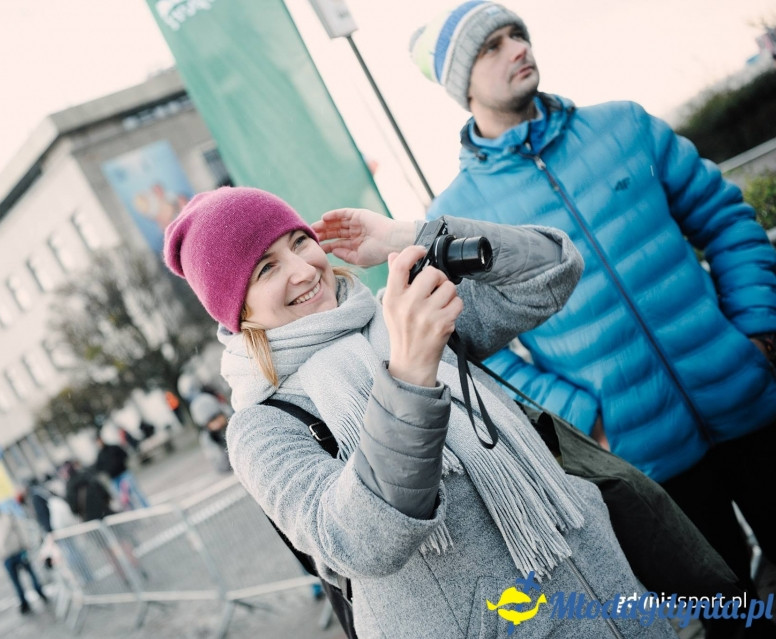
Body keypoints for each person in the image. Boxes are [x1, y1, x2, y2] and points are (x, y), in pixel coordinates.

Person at [163, 186, 675, 637]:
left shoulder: (406, 312)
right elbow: (357, 542)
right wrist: (409, 375)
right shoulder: (261, 426)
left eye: (299, 242)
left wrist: (411, 235)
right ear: (238, 309)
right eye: (266, 269)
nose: (302, 270)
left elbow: (551, 270)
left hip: (617, 601)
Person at [409, 1, 776, 593]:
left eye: (517, 34)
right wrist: (582, 420)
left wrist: (759, 328)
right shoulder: (456, 215)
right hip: (644, 461)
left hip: (752, 398)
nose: (518, 48)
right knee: (730, 612)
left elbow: (725, 219)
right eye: (492, 46)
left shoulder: (625, 126)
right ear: (463, 85)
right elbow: (473, 352)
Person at [0, 505, 48, 614]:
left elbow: (20, 531)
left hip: (18, 551)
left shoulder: (8, 518)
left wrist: (25, 544)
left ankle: (39, 592)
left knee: (31, 574)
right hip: (6, 556)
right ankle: (23, 601)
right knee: (16, 581)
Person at [94, 433, 149, 510]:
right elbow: (99, 468)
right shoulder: (100, 455)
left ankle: (147, 508)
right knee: (124, 499)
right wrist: (108, 469)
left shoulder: (113, 448)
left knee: (135, 492)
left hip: (124, 474)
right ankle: (133, 511)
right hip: (114, 478)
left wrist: (118, 464)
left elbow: (124, 455)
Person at [189, 392, 232, 473]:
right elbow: (221, 465)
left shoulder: (233, 419)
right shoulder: (208, 438)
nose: (217, 423)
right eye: (211, 421)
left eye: (217, 417)